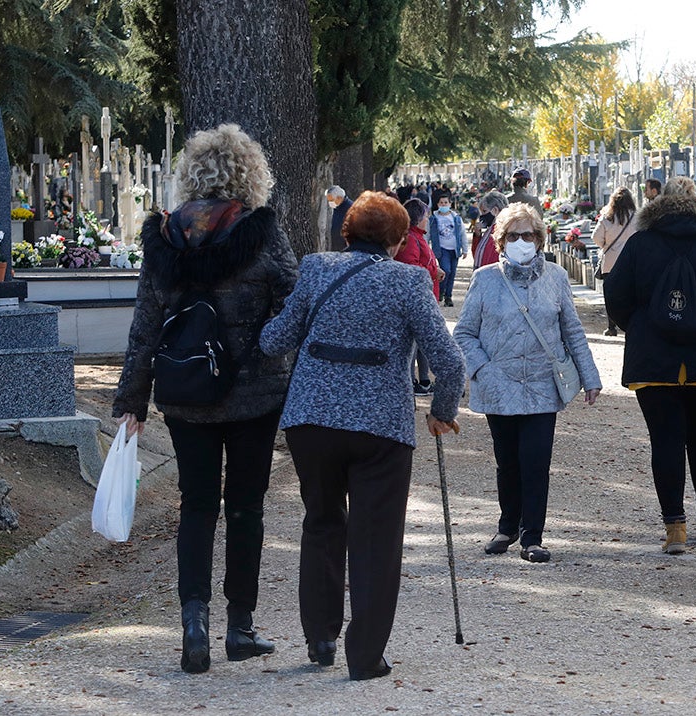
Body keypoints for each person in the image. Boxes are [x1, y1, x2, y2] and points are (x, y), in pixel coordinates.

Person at [113, 124, 298, 674]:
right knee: (246, 508)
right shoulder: (261, 232)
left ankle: (194, 620)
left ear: (191, 173)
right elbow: (293, 302)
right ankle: (239, 627)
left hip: (185, 391)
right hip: (253, 394)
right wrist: (269, 343)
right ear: (250, 173)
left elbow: (145, 326)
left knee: (195, 506)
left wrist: (131, 401)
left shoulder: (166, 235)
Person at [260, 191, 465, 681]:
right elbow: (450, 362)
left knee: (323, 521)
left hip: (311, 421)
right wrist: (441, 411)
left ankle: (321, 637)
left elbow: (273, 341)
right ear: (398, 240)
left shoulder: (314, 270)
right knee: (376, 539)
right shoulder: (411, 281)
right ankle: (365, 655)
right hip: (380, 428)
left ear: (346, 234)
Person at [604, 176, 696, 555]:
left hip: (654, 360)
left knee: (665, 441)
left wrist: (639, 326)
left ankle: (675, 527)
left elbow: (616, 293)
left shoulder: (640, 242)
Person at [453, 203, 602, 564]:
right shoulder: (485, 279)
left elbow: (572, 331)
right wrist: (483, 369)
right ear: (502, 241)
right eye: (514, 236)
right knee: (507, 462)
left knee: (535, 461)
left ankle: (532, 536)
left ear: (539, 238)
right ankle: (507, 526)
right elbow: (465, 333)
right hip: (499, 385)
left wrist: (590, 376)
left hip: (541, 384)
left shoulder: (555, 277)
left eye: (529, 235)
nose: (523, 241)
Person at [398, 197, 444, 394]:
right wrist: (433, 271)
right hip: (417, 299)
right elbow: (412, 267)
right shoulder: (410, 238)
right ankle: (409, 386)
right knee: (413, 347)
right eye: (426, 216)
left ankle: (422, 381)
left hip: (426, 295)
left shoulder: (418, 236)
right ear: (418, 218)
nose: (428, 219)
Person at [591, 187, 636, 336]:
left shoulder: (607, 218)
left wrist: (605, 246)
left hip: (610, 261)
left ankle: (612, 327)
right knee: (631, 294)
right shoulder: (636, 217)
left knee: (611, 295)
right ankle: (630, 324)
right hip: (631, 261)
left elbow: (596, 237)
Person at [428, 193, 467, 306]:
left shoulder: (456, 218)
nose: (443, 205)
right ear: (438, 204)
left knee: (452, 274)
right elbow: (428, 234)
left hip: (454, 250)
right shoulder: (433, 219)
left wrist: (465, 249)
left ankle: (448, 296)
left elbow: (462, 233)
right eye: (441, 203)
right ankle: (440, 291)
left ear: (450, 204)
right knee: (446, 270)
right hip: (441, 249)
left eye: (446, 202)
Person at [471, 190, 509, 268]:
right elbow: (477, 253)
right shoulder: (490, 230)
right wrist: (477, 236)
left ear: (495, 210)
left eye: (484, 211)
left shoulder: (503, 230)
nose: (482, 216)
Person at [326, 185, 350, 251]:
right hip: (336, 248)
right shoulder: (337, 208)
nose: (330, 203)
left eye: (331, 200)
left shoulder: (351, 209)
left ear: (339, 198)